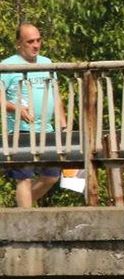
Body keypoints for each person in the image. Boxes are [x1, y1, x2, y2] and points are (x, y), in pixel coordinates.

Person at [2, 23, 65, 208]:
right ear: (19, 43)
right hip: (20, 130)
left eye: (38, 40)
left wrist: (63, 123)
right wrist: (16, 109)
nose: (36, 45)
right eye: (30, 41)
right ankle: (25, 218)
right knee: (24, 177)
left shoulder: (47, 62)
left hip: (47, 129)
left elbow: (56, 94)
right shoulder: (6, 66)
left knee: (52, 176)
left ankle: (22, 208)